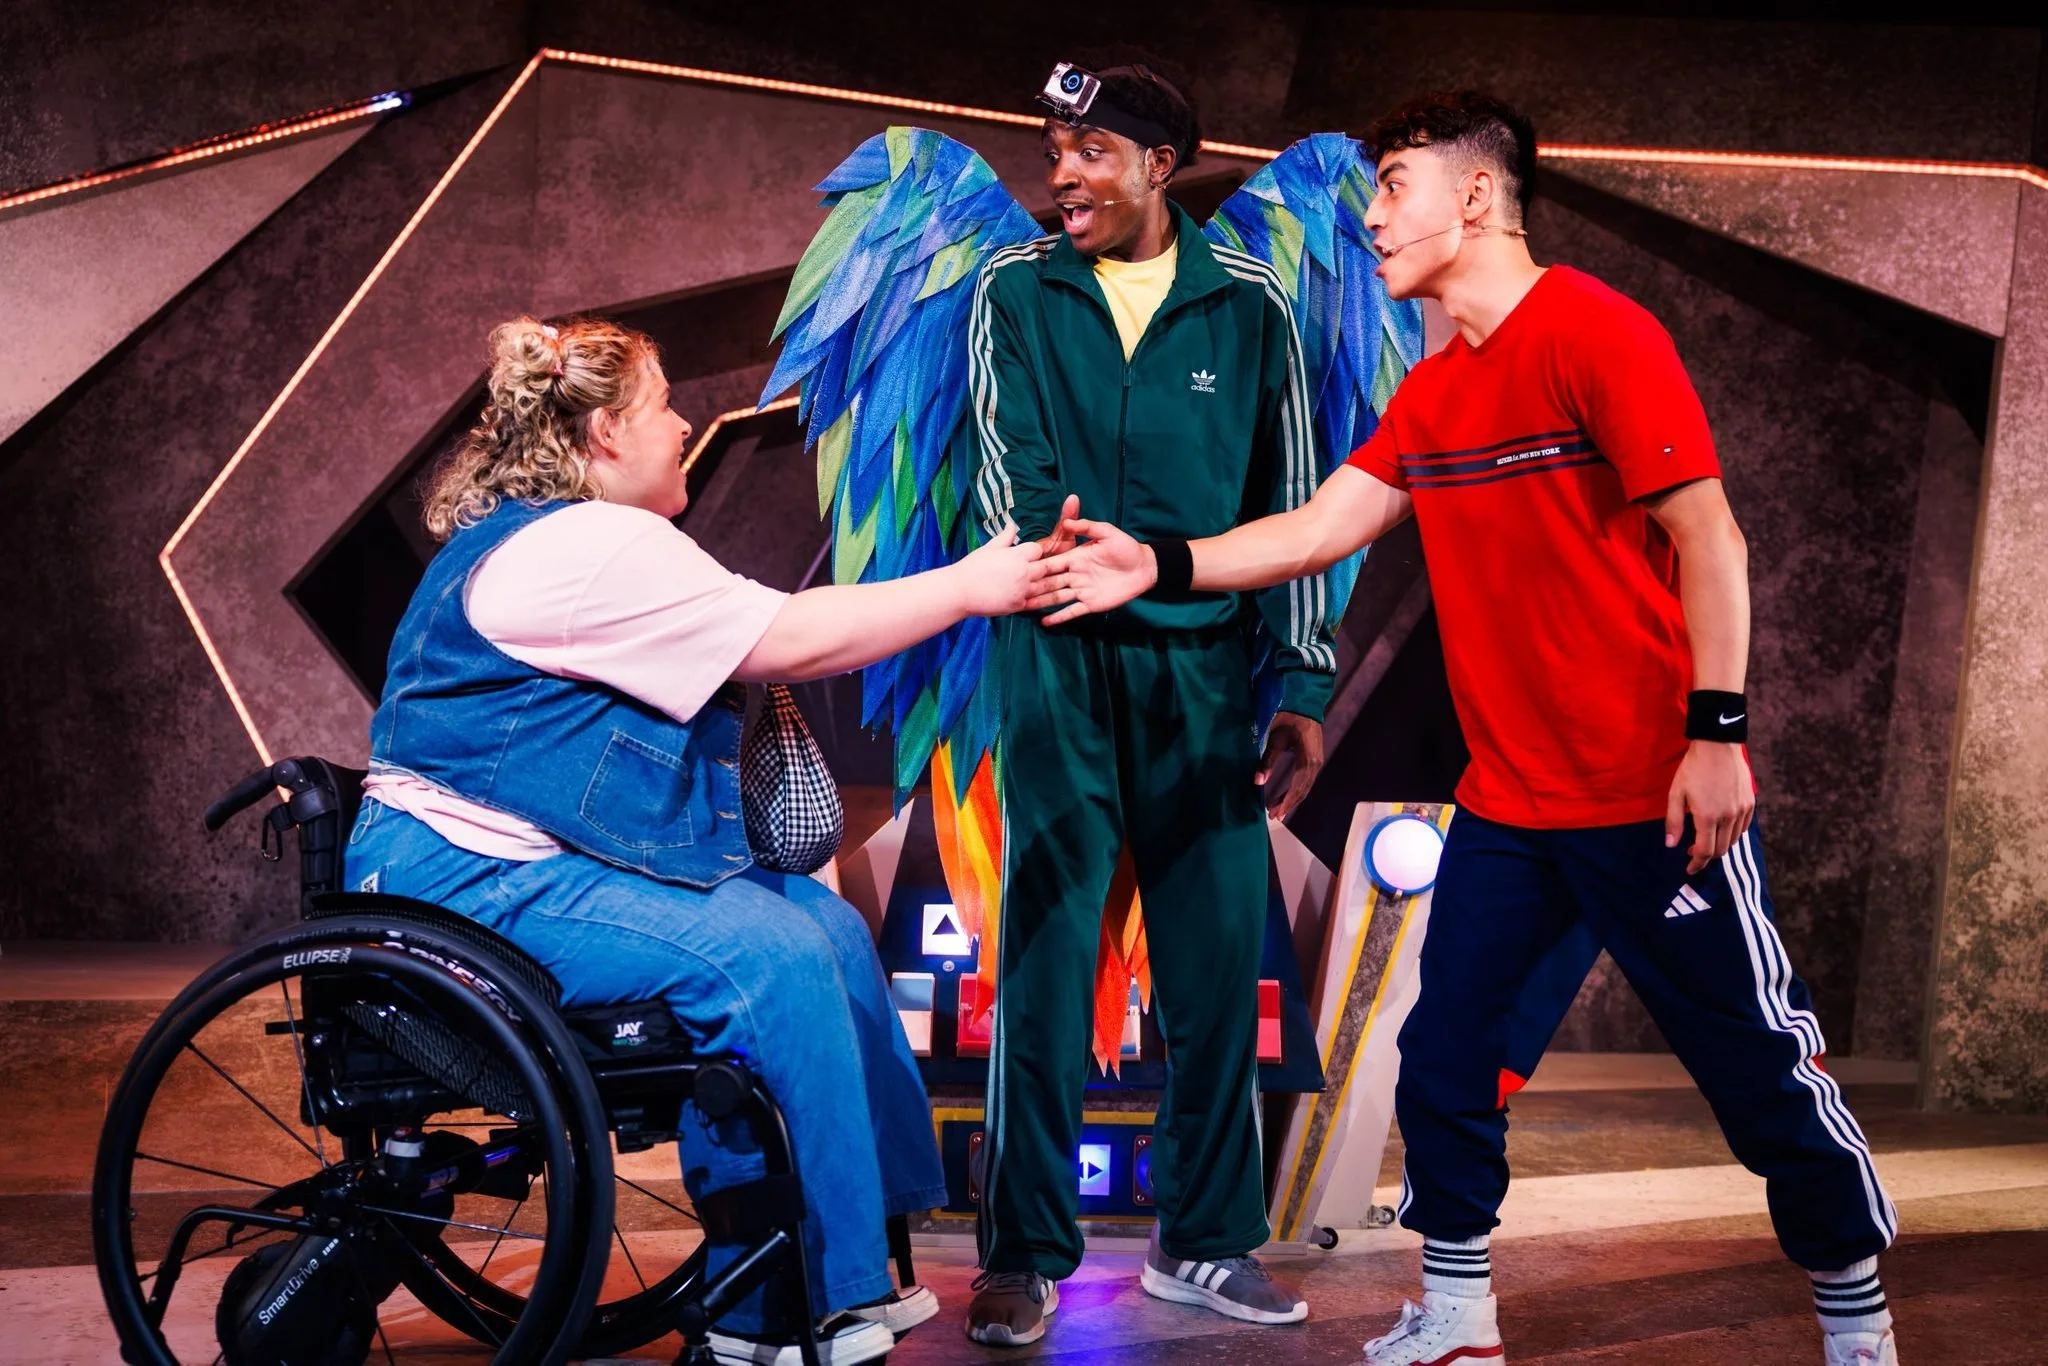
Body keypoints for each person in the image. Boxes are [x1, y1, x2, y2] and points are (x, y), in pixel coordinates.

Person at [1030, 91, 1900, 1366]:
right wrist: (1154, 562)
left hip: (1651, 790)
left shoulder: (1599, 334)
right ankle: (1456, 1317)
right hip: (1507, 804)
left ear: (1476, 196)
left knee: (1756, 1066)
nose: (1371, 218)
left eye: (1393, 186)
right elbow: (1317, 529)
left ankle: (1856, 1324)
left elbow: (1710, 537)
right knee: (1442, 1057)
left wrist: (1714, 733)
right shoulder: (1435, 391)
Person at [343, 315, 1046, 1366]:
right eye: (663, 406)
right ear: (603, 436)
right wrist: (970, 588)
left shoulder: (563, 537)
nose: (682, 425)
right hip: (462, 885)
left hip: (512, 868)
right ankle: (763, 1312)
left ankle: (865, 1245)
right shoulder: (582, 545)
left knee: (823, 924)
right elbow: (791, 637)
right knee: (769, 955)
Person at [961, 55, 1332, 1347]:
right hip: (1056, 661)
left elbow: (1291, 502)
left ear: (1159, 166)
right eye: (1053, 152)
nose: (1062, 176)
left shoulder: (1248, 303)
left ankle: (1207, 1241)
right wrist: (1074, 574)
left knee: (1217, 968)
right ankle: (1022, 1253)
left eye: (1091, 154)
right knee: (1045, 963)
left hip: (1204, 676)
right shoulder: (1013, 288)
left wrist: (1300, 676)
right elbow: (1010, 475)